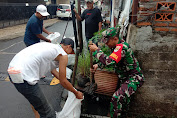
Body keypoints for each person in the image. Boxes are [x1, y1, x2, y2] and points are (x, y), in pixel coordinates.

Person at [7, 38, 83, 118]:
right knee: (48, 114)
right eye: (70, 52)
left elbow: (55, 73)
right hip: (25, 76)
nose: (68, 54)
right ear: (68, 47)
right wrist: (76, 93)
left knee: (34, 100)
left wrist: (70, 87)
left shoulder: (51, 48)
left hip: (13, 71)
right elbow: (63, 81)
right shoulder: (62, 54)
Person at [88, 27, 144, 118]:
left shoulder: (122, 47)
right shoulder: (115, 47)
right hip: (125, 78)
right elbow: (112, 61)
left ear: (115, 39)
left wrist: (96, 50)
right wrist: (98, 65)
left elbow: (109, 61)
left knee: (116, 98)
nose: (106, 44)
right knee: (123, 103)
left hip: (134, 78)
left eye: (107, 42)